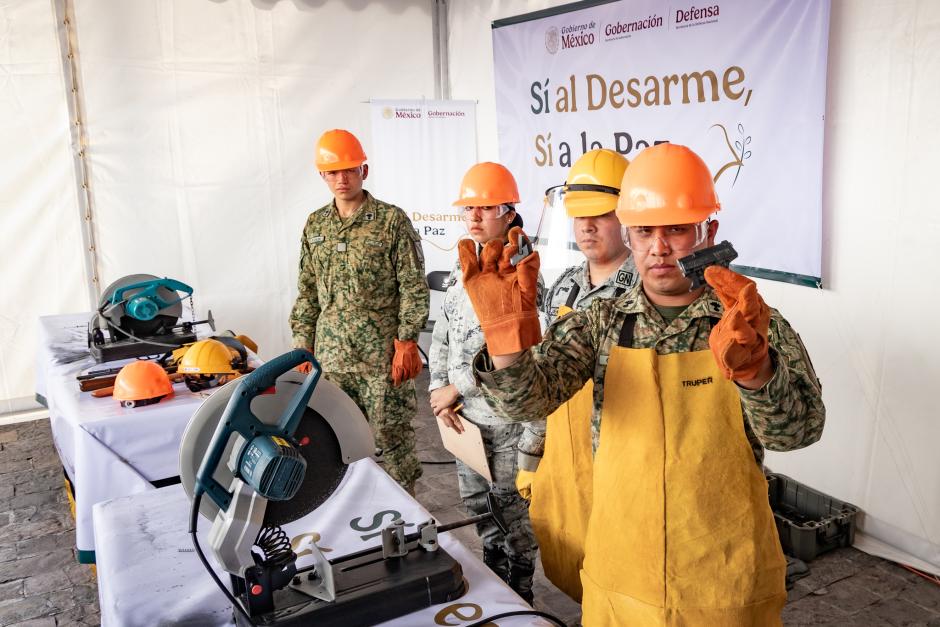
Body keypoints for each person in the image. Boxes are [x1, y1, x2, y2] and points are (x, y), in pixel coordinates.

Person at [459, 143, 825, 625]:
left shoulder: (751, 322)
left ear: (708, 231)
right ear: (628, 235)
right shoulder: (600, 321)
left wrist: (757, 372)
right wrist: (504, 338)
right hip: (623, 570)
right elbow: (529, 401)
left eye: (676, 228)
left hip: (725, 574)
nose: (659, 247)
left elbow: (797, 434)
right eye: (645, 230)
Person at [517, 148, 639, 602]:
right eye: (579, 216)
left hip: (626, 458)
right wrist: (531, 458)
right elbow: (543, 379)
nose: (586, 227)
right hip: (567, 460)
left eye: (601, 216)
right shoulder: (564, 285)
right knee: (574, 564)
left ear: (626, 215)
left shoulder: (651, 290)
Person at [428, 162, 544, 604]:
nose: (474, 217)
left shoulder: (523, 270)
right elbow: (445, 333)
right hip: (464, 420)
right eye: (469, 208)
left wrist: (456, 387)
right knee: (482, 514)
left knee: (514, 519)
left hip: (507, 420)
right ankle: (498, 598)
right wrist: (439, 392)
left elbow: (509, 352)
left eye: (485, 207)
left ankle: (522, 602)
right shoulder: (465, 267)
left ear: (509, 212)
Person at [289, 129, 428, 494]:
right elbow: (306, 290)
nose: (341, 178)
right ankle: (353, 512)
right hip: (333, 359)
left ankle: (410, 517)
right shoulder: (315, 225)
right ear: (322, 176)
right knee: (338, 441)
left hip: (382, 358)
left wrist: (408, 340)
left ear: (363, 170)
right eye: (332, 172)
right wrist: (303, 345)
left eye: (349, 169)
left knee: (393, 437)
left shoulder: (391, 221)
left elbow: (413, 285)